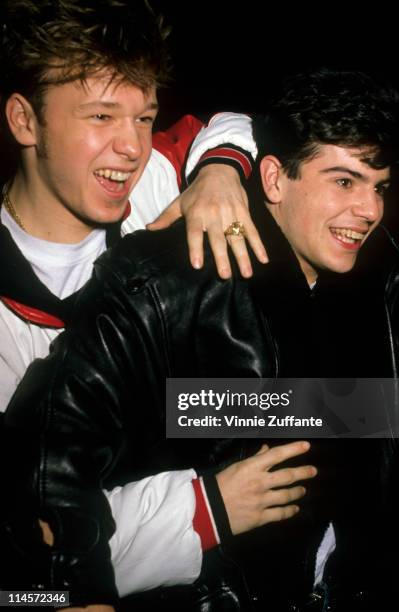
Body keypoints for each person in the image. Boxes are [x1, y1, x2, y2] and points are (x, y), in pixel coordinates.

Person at [3, 68, 399, 611]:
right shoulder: (161, 277)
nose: (369, 210)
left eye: (378, 187)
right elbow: (41, 473)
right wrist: (71, 594)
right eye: (344, 181)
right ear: (272, 180)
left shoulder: (382, 277)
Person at [0, 0, 312, 601]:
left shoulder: (155, 183)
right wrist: (206, 506)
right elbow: (28, 567)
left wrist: (219, 173)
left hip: (216, 465)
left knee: (364, 414)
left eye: (143, 118)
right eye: (101, 116)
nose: (131, 147)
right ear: (24, 120)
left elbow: (230, 123)